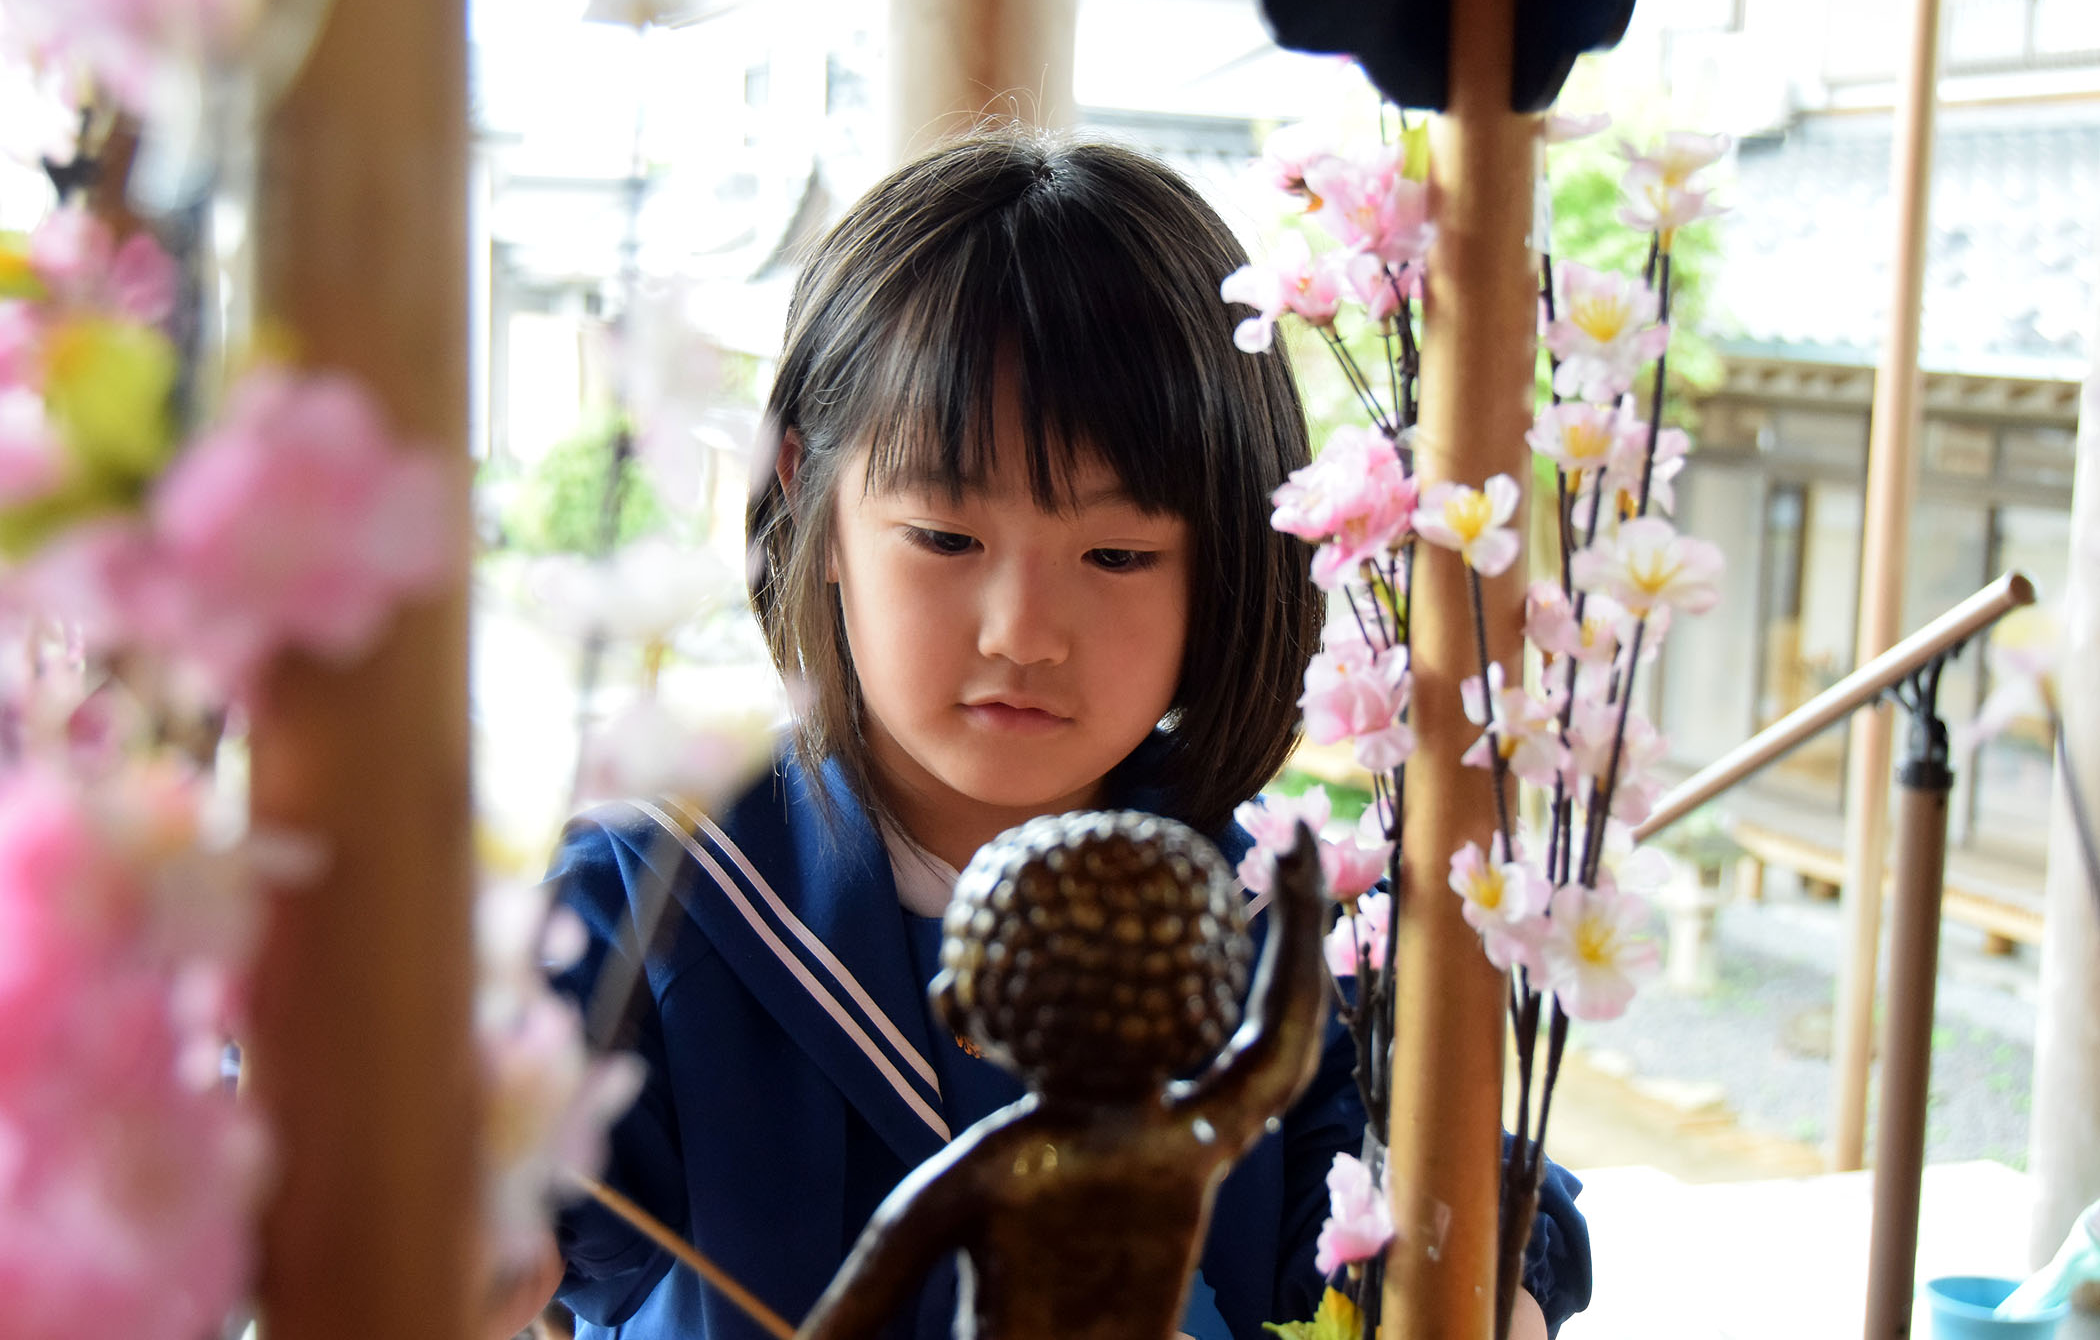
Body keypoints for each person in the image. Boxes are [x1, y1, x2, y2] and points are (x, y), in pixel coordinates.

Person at [491, 127, 1591, 1340]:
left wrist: (1488, 1278)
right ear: (808, 492)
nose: (1022, 631)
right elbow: (486, 1185)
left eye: (1116, 553)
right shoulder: (656, 897)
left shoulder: (1277, 919)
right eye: (945, 538)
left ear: (1230, 555)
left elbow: (1449, 1191)